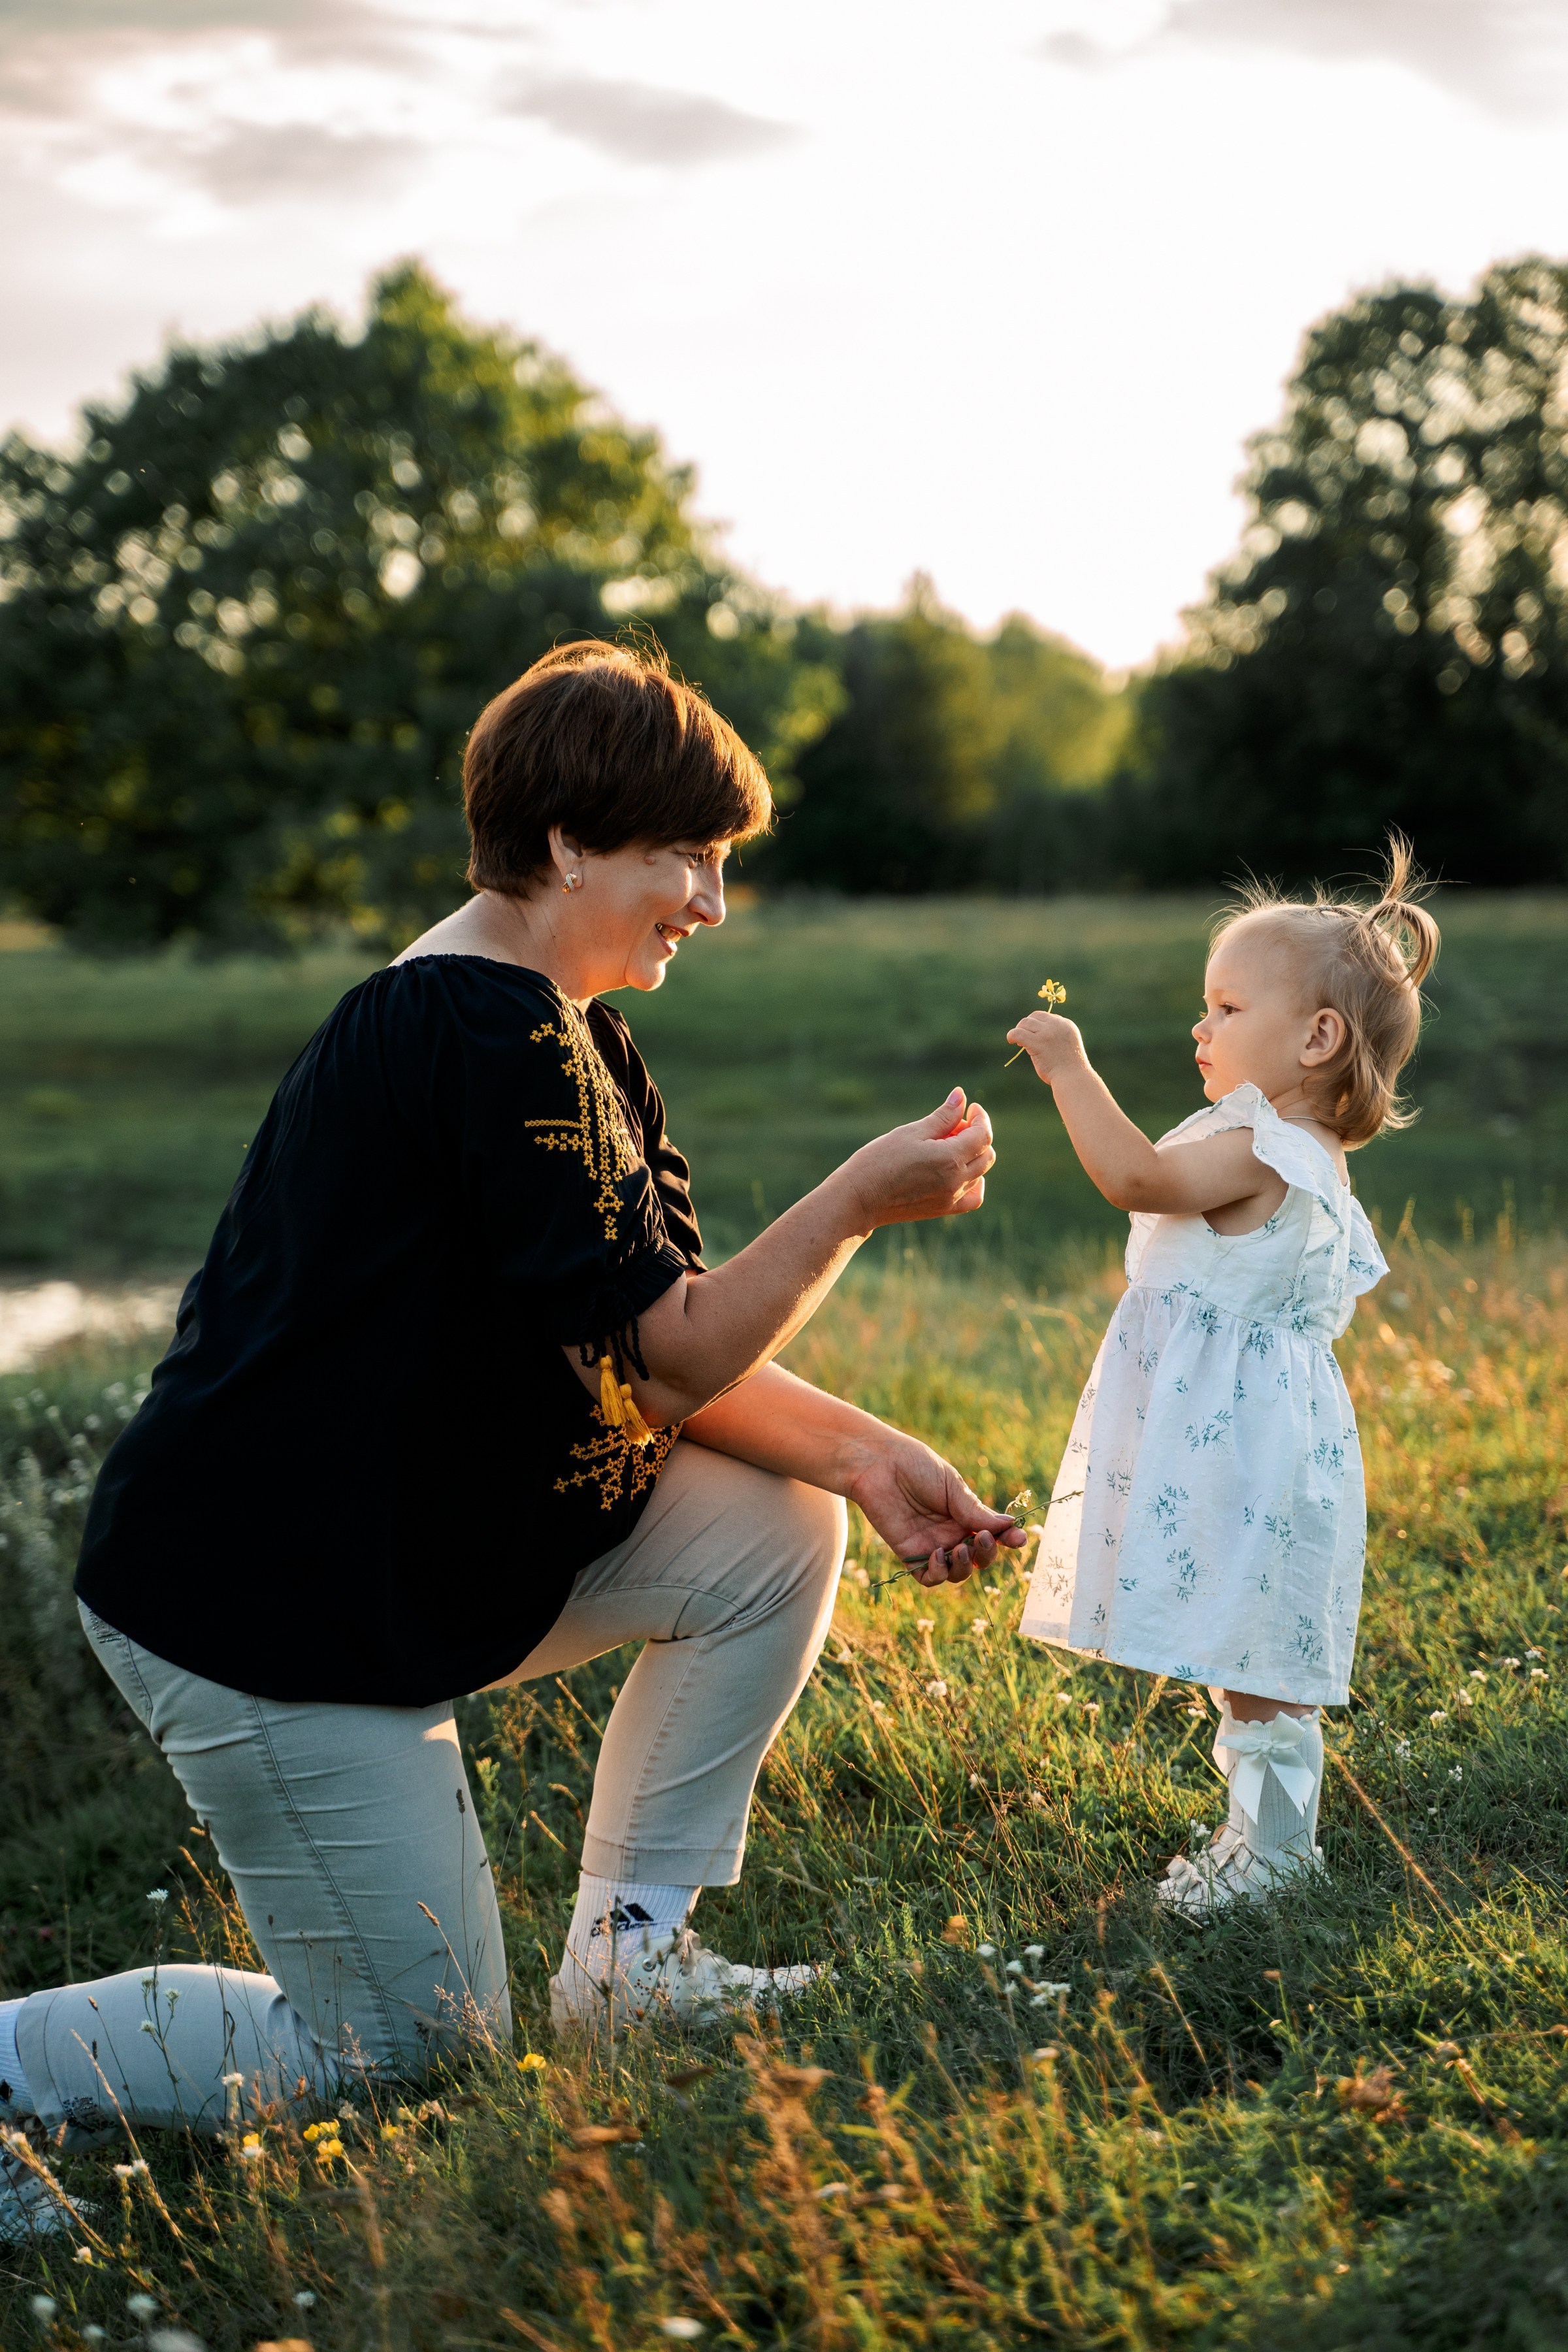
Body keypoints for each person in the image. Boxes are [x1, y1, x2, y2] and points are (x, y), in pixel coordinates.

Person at [0, 641, 1022, 2230]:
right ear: (560, 846)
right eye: (684, 855)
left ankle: (637, 1965)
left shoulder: (570, 1029)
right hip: (269, 1609)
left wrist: (863, 1455)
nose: (710, 899)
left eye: (721, 860)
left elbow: (640, 1345)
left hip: (404, 1552)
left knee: (771, 1528)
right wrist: (854, 1204)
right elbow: (677, 1348)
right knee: (409, 2055)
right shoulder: (483, 1034)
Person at [1005, 838, 1438, 1916]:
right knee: (1243, 1644)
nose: (1201, 1028)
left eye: (1227, 1008)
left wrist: (1070, 1066)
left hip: (1243, 1446)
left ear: (1317, 1038)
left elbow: (1135, 1176)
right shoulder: (1279, 1141)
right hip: (1244, 1435)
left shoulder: (1265, 1148)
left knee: (1255, 1654)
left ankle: (1278, 1856)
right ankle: (1262, 1840)